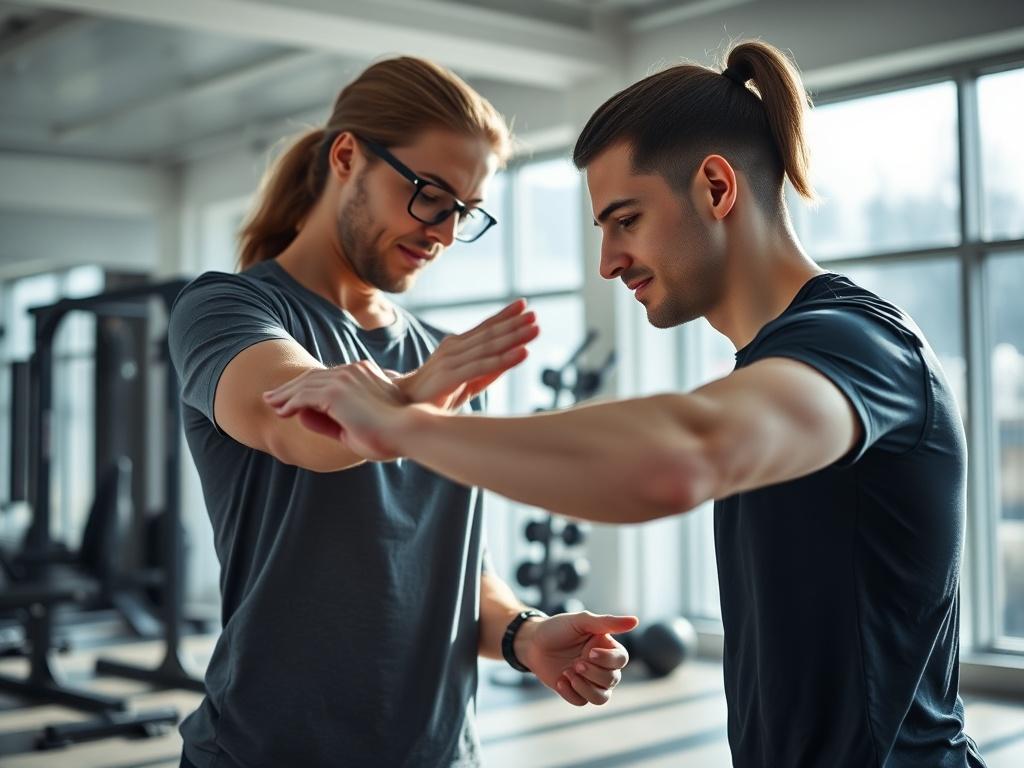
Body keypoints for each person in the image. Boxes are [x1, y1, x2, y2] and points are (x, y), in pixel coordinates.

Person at [265, 41, 988, 767]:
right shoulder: (781, 359)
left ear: (714, 187)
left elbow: (681, 454)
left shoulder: (860, 345)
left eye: (626, 220)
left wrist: (402, 424)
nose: (608, 262)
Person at [168, 56, 638, 768]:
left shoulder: (442, 360)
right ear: (348, 156)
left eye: (465, 212)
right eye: (429, 195)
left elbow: (453, 568)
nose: (443, 232)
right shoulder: (228, 310)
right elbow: (295, 424)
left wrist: (524, 634)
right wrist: (411, 399)